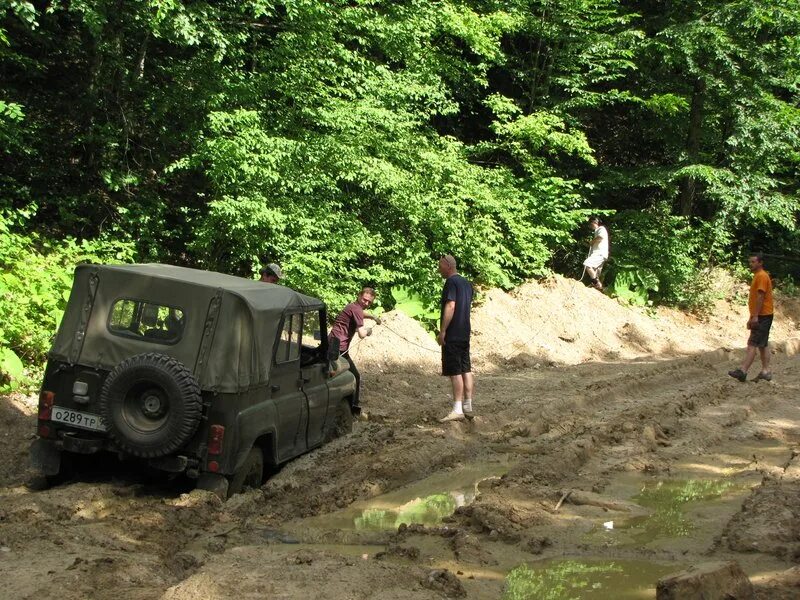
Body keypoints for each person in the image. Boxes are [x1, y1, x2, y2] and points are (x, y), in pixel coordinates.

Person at [437, 255, 475, 422]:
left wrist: (443, 330)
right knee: (466, 369)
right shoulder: (467, 284)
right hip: (465, 332)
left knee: (455, 372)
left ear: (448, 265)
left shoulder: (451, 283)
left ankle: (457, 409)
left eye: (440, 266)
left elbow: (451, 305)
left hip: (453, 333)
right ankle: (468, 406)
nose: (439, 269)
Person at [729, 254, 774, 382]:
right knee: (762, 344)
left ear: (760, 263)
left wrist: (755, 316)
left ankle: (743, 371)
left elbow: (760, 297)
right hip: (763, 315)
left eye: (753, 262)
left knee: (752, 344)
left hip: (762, 315)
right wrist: (752, 316)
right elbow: (756, 300)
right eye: (750, 262)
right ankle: (766, 371)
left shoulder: (761, 276)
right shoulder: (759, 276)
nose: (751, 264)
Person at [328, 287, 381, 394]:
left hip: (335, 345)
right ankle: (353, 406)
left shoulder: (353, 306)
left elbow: (361, 313)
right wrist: (368, 331)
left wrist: (373, 317)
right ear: (359, 296)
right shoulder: (356, 309)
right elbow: (362, 334)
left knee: (335, 375)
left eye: (369, 302)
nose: (366, 303)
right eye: (364, 299)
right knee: (354, 376)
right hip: (337, 348)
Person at [584, 217, 609, 290]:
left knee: (587, 264)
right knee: (596, 271)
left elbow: (600, 237)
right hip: (602, 253)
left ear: (594, 223)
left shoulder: (601, 229)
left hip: (599, 253)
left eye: (590, 224)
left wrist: (592, 242)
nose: (590, 226)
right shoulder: (597, 231)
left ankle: (597, 283)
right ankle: (596, 286)